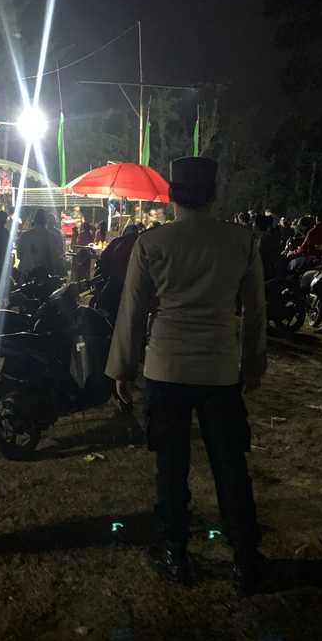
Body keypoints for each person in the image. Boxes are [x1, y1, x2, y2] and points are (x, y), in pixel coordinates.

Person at [107, 157, 267, 591]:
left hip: (166, 369)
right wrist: (253, 364)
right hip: (220, 370)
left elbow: (132, 311)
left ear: (172, 195)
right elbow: (256, 312)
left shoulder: (151, 243)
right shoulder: (242, 241)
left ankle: (175, 554)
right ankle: (246, 558)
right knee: (231, 468)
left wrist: (122, 367)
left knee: (171, 468)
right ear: (214, 194)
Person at [288, 207, 322, 273]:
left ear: (317, 218)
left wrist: (292, 253)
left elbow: (303, 249)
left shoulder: (313, 232)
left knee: (290, 265)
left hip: (315, 262)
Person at [18, 209, 64, 279]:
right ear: (46, 221)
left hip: (26, 273)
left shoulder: (25, 235)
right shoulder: (51, 237)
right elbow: (55, 257)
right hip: (45, 275)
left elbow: (19, 255)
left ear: (34, 221)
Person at [254, 214, 281, 281]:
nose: (252, 225)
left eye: (254, 223)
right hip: (270, 272)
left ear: (257, 226)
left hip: (264, 274)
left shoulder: (263, 239)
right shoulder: (269, 236)